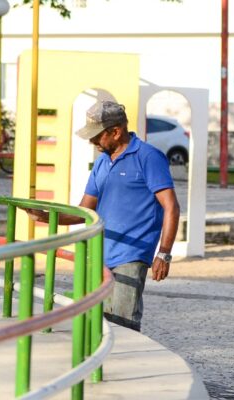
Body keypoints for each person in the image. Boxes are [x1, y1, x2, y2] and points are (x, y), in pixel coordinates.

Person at [22, 100, 180, 332]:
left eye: (97, 136)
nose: (92, 141)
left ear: (116, 132)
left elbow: (171, 207)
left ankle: (122, 367)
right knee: (96, 322)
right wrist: (45, 216)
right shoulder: (102, 163)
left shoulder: (148, 157)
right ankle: (100, 367)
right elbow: (85, 210)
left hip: (132, 254)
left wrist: (164, 253)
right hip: (100, 253)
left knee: (123, 323)